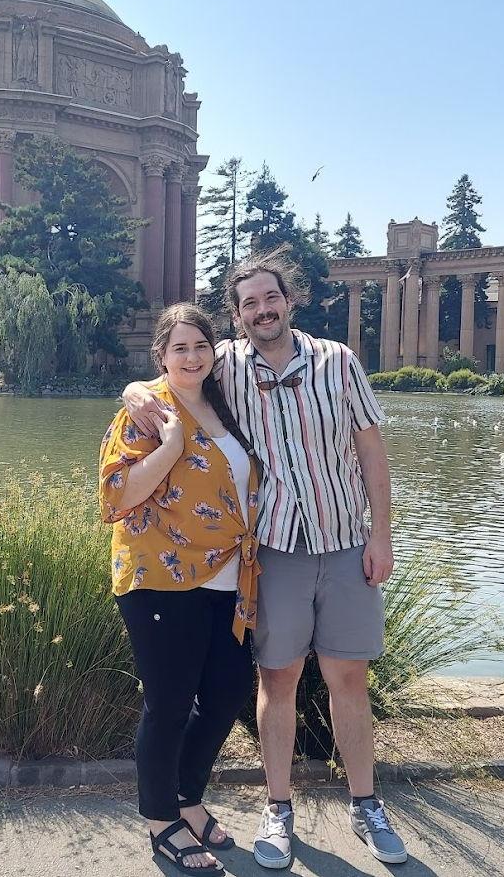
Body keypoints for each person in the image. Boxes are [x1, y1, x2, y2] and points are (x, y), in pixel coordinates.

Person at [124, 247, 407, 868]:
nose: (261, 310)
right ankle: (277, 811)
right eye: (248, 302)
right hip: (274, 549)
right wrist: (132, 393)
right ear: (237, 314)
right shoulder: (225, 365)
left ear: (289, 299)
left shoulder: (339, 362)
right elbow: (172, 366)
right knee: (276, 681)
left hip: (343, 542)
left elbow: (372, 454)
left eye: (269, 297)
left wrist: (380, 534)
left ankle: (366, 805)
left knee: (348, 678)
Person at [99, 303, 261, 876]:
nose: (191, 357)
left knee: (227, 690)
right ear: (161, 357)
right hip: (161, 578)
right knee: (168, 703)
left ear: (213, 351)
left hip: (226, 577)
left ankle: (189, 797)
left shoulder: (224, 403)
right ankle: (160, 818)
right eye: (179, 348)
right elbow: (119, 495)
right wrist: (168, 447)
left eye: (200, 346)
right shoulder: (147, 412)